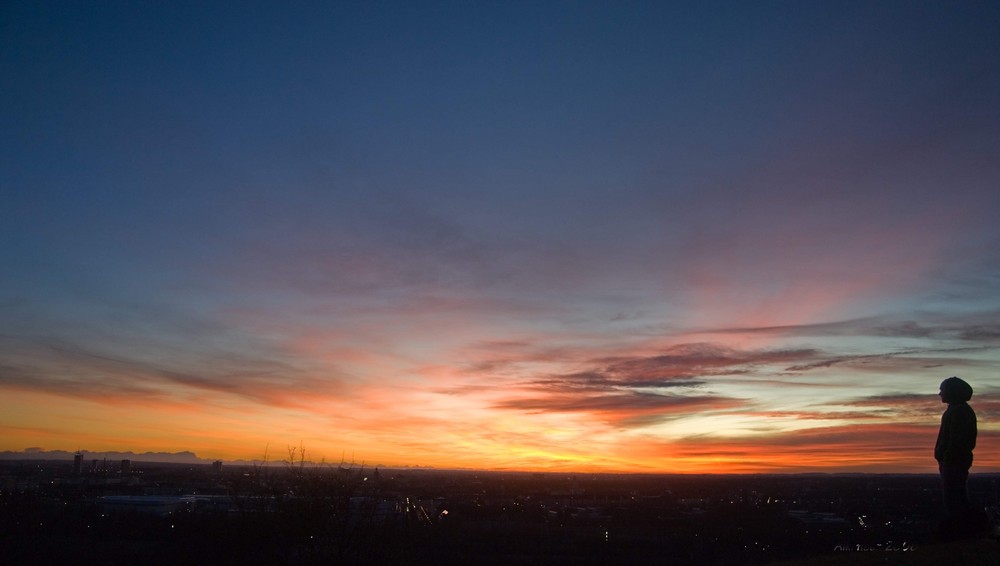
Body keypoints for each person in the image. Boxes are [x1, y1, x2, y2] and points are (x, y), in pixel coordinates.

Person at [934, 376, 976, 517]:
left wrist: (947, 457)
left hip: (954, 461)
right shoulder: (954, 410)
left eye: (942, 390)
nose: (940, 393)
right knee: (954, 496)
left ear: (952, 391)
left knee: (954, 498)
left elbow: (958, 440)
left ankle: (963, 527)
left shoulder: (960, 411)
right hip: (951, 461)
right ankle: (962, 525)